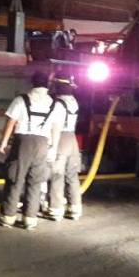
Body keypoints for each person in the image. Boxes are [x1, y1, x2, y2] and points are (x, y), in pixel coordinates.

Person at [0, 71, 63, 231]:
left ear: (32, 83)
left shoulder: (21, 100)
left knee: (15, 179)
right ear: (48, 84)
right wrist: (53, 148)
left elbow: (10, 123)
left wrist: (3, 143)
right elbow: (56, 128)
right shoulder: (55, 104)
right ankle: (30, 219)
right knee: (35, 181)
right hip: (43, 144)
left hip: (22, 143)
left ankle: (8, 217)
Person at [46, 74, 83, 221]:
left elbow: (54, 126)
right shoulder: (73, 101)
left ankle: (56, 209)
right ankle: (75, 208)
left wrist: (52, 146)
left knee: (57, 174)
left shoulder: (57, 104)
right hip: (72, 139)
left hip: (61, 138)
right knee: (72, 175)